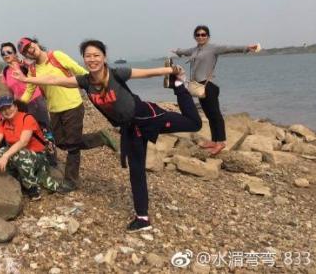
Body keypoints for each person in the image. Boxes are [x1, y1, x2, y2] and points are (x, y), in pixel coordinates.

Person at [13, 39, 202, 232]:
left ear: (104, 57)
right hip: (130, 129)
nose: (92, 59)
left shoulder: (116, 73)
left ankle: (178, 85)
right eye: (88, 56)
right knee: (136, 171)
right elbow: (54, 80)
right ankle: (142, 218)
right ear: (84, 59)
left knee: (194, 124)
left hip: (147, 117)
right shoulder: (85, 81)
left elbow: (145, 73)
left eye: (96, 55)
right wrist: (26, 80)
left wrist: (172, 71)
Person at [16, 37, 118, 192]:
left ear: (35, 43)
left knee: (72, 146)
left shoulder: (56, 56)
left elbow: (78, 70)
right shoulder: (32, 71)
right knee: (60, 142)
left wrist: (99, 83)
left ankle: (71, 181)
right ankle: (100, 138)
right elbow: (29, 91)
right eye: (25, 51)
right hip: (54, 109)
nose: (30, 50)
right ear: (26, 56)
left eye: (30, 46)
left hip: (72, 105)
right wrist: (15, 108)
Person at [172, 25, 260, 155]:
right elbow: (185, 51)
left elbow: (229, 48)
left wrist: (247, 48)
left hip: (208, 86)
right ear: (195, 37)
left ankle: (221, 142)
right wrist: (177, 51)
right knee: (209, 115)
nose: (200, 37)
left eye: (203, 34)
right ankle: (214, 141)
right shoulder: (195, 49)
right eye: (198, 35)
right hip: (198, 86)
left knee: (216, 115)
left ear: (208, 36)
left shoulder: (213, 48)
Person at [0, 96, 62, 200]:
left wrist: (5, 156)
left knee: (19, 154)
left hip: (37, 155)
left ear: (16, 106)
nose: (7, 111)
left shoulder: (27, 118)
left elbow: (23, 142)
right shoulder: (3, 123)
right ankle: (15, 179)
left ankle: (32, 188)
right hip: (17, 153)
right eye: (2, 110)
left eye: (9, 107)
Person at [0, 42, 50, 130]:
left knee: (43, 128)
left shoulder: (24, 65)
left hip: (35, 101)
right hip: (21, 104)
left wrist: (21, 62)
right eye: (3, 53)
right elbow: (11, 92)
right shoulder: (5, 71)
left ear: (15, 53)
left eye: (9, 52)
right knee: (27, 129)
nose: (6, 55)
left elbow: (37, 68)